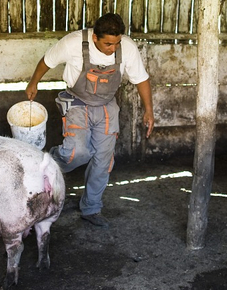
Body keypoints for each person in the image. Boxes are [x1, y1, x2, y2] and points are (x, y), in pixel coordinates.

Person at [25, 13, 154, 228]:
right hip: (77, 102)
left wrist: (149, 110)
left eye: (117, 43)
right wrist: (33, 83)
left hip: (106, 105)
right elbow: (46, 62)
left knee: (103, 160)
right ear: (95, 38)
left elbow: (141, 79)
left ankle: (91, 207)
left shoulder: (127, 48)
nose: (113, 48)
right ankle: (47, 163)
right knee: (77, 153)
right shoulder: (74, 43)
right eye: (108, 43)